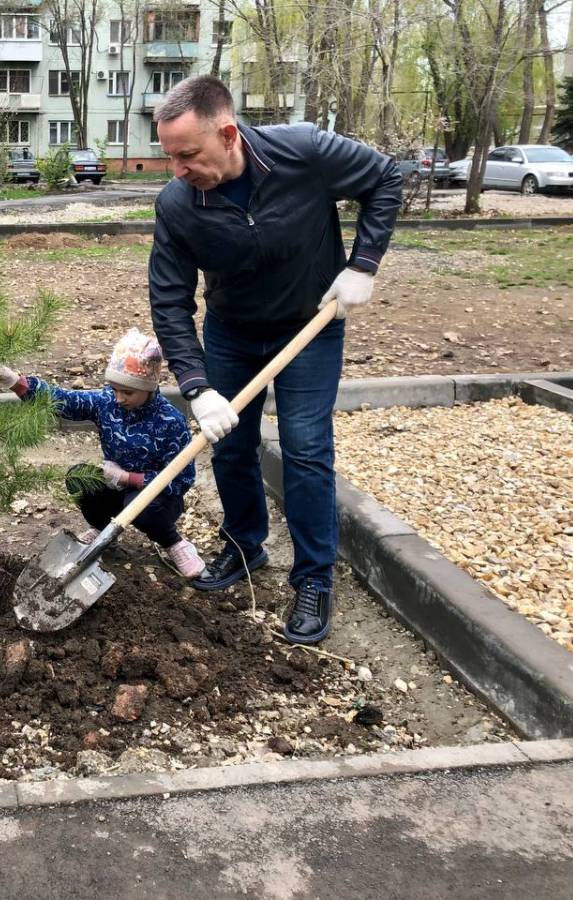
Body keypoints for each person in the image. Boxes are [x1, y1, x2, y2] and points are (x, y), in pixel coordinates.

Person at [148, 76, 401, 645]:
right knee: (231, 445)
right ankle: (243, 546)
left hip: (309, 327)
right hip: (232, 333)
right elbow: (169, 298)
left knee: (306, 449)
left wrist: (363, 264)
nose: (178, 169)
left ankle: (313, 579)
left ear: (229, 134)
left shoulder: (304, 151)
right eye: (170, 157)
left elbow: (386, 176)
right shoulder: (178, 205)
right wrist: (196, 385)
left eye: (188, 154)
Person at [0, 328, 204, 578]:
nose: (119, 398)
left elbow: (181, 479)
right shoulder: (106, 402)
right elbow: (66, 401)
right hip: (115, 487)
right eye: (114, 389)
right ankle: (100, 529)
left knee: (141, 506)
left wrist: (128, 478)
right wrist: (17, 382)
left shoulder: (170, 422)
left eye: (128, 392)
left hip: (158, 498)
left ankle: (174, 543)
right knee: (79, 477)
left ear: (149, 387)